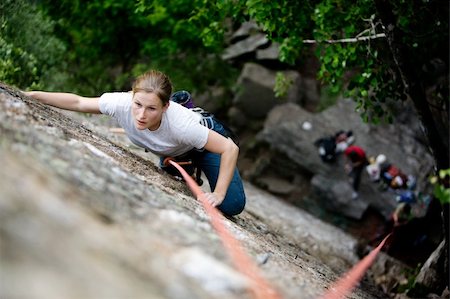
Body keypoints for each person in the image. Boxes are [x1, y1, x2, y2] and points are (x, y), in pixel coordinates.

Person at [24, 70, 246, 216]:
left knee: (231, 205)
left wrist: (217, 194)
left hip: (203, 140)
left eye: (151, 109)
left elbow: (229, 148)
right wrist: (33, 95)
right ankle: (177, 159)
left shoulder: (181, 126)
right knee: (169, 154)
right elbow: (79, 102)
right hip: (176, 147)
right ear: (132, 96)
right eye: (138, 104)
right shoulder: (120, 103)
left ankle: (184, 132)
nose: (141, 114)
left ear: (165, 108)